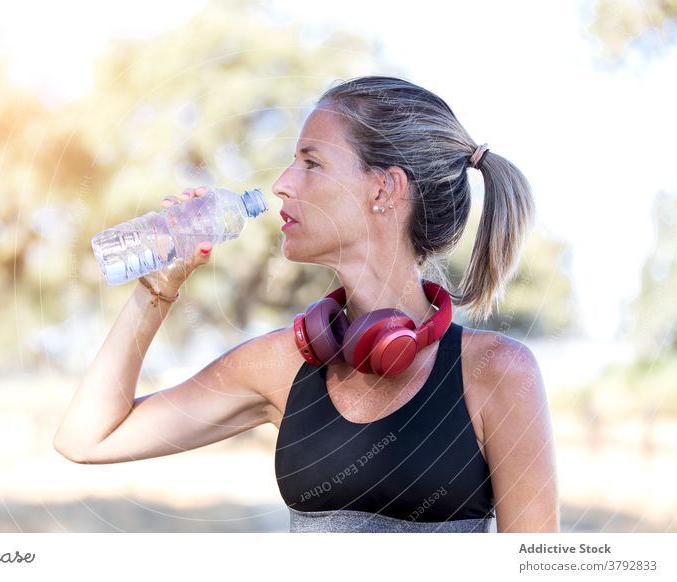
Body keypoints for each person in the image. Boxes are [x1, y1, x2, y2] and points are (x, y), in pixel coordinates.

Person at [54, 75, 559, 533]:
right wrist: (155, 289)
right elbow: (88, 438)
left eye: (311, 162)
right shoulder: (279, 365)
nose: (282, 184)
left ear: (384, 188)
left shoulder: (496, 372)